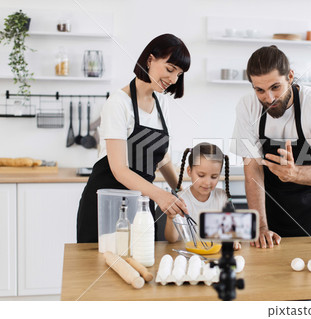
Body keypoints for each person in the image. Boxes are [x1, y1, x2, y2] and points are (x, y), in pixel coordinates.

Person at [231, 45, 311, 248]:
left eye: (275, 87)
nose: (269, 98)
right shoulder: (247, 107)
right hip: (271, 221)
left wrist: (295, 173)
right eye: (260, 90)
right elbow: (253, 169)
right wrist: (261, 228)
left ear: (290, 76)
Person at [77, 34, 191, 243]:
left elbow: (162, 157)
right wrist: (160, 195)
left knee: (143, 265)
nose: (174, 79)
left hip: (140, 205)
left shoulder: (161, 104)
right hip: (107, 206)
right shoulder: (118, 103)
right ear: (150, 60)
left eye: (179, 74)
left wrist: (180, 191)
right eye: (170, 69)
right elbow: (119, 169)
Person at [164, 143, 241, 250]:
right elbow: (171, 239)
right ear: (189, 171)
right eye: (201, 175)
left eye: (214, 177)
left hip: (215, 255)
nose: (207, 182)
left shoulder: (222, 197)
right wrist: (170, 217)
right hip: (189, 255)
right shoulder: (180, 199)